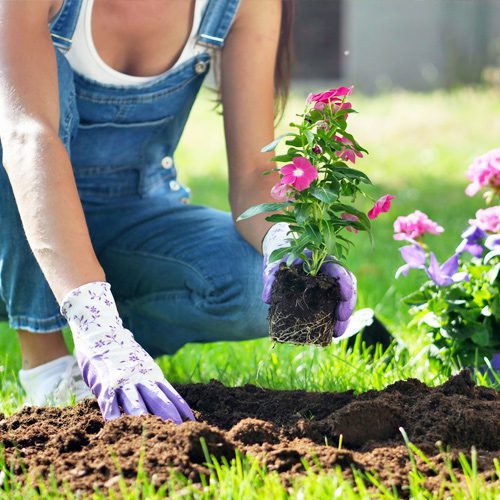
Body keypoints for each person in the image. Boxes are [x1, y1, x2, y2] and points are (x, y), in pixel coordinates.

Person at [0, 0, 360, 422]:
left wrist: (288, 242)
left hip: (133, 210)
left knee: (254, 291)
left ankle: (119, 342)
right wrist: (94, 321)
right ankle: (47, 360)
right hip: (19, 215)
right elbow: (27, 137)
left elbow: (254, 173)